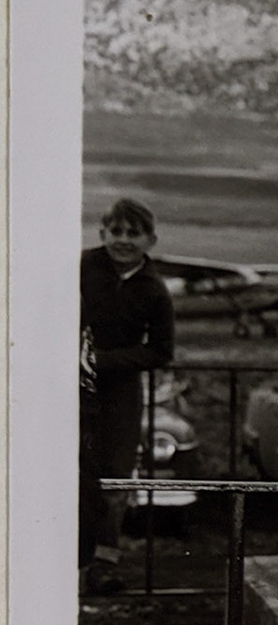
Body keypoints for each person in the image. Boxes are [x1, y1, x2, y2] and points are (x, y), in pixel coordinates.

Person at [80, 198, 174, 594]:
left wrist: (102, 360)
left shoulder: (155, 290)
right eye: (116, 231)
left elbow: (160, 351)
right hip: (69, 389)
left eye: (133, 233)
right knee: (70, 474)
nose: (123, 240)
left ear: (150, 240)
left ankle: (104, 562)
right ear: (102, 233)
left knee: (115, 479)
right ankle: (70, 561)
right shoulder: (82, 267)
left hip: (120, 394)